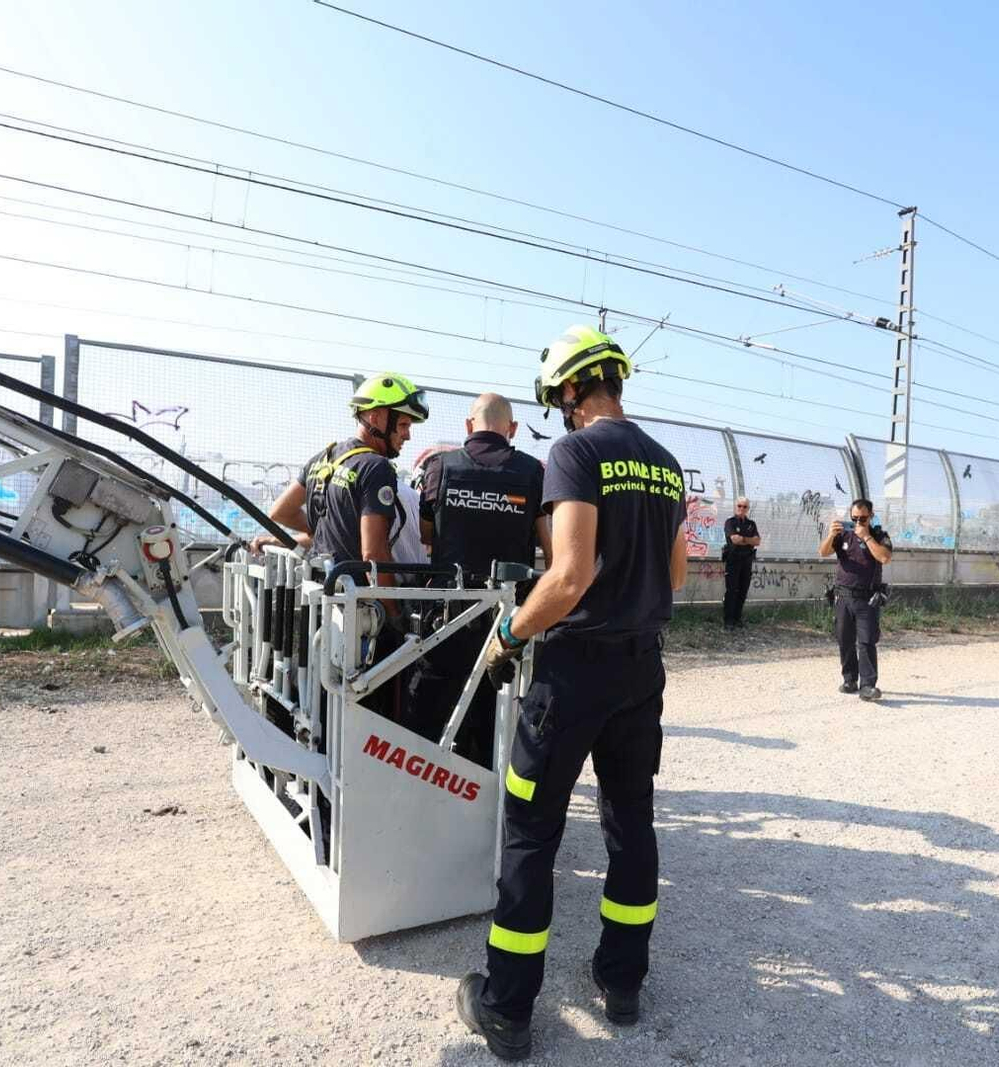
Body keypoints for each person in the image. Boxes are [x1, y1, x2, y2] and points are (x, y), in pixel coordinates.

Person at [455, 325, 687, 1061]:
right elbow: (676, 577)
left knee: (530, 830)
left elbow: (568, 574)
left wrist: (510, 637)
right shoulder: (668, 463)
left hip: (574, 669)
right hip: (640, 670)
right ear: (613, 381)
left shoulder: (577, 453)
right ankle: (621, 984)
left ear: (566, 392)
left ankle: (508, 1007)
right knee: (630, 823)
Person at [256, 371, 430, 718]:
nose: (408, 435)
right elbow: (373, 554)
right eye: (404, 424)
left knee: (322, 699)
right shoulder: (376, 467)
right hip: (361, 611)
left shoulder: (326, 456)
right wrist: (394, 615)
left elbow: (281, 511)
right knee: (370, 706)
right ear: (377, 417)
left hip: (321, 598)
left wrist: (320, 532)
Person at [407, 393, 549, 762]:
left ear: (469, 426)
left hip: (448, 612)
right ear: (512, 429)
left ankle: (424, 781)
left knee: (432, 704)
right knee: (495, 706)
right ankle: (484, 790)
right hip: (506, 619)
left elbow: (426, 533)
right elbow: (550, 547)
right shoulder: (533, 472)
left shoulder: (440, 466)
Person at [817, 498, 893, 701]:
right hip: (843, 597)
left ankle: (868, 686)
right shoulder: (843, 534)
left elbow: (885, 557)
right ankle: (850, 679)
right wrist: (831, 534)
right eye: (854, 518)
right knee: (845, 639)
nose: (858, 522)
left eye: (863, 518)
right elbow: (823, 552)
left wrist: (867, 538)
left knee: (867, 642)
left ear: (871, 515)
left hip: (867, 599)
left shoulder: (878, 535)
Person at [721, 497, 760, 628]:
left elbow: (757, 541)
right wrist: (748, 540)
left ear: (748, 509)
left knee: (743, 590)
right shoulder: (730, 522)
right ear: (735, 507)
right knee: (731, 591)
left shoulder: (751, 524)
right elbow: (734, 539)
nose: (741, 509)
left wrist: (742, 539)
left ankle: (737, 618)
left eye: (744, 507)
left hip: (747, 561)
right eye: (739, 506)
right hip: (733, 560)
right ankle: (728, 620)